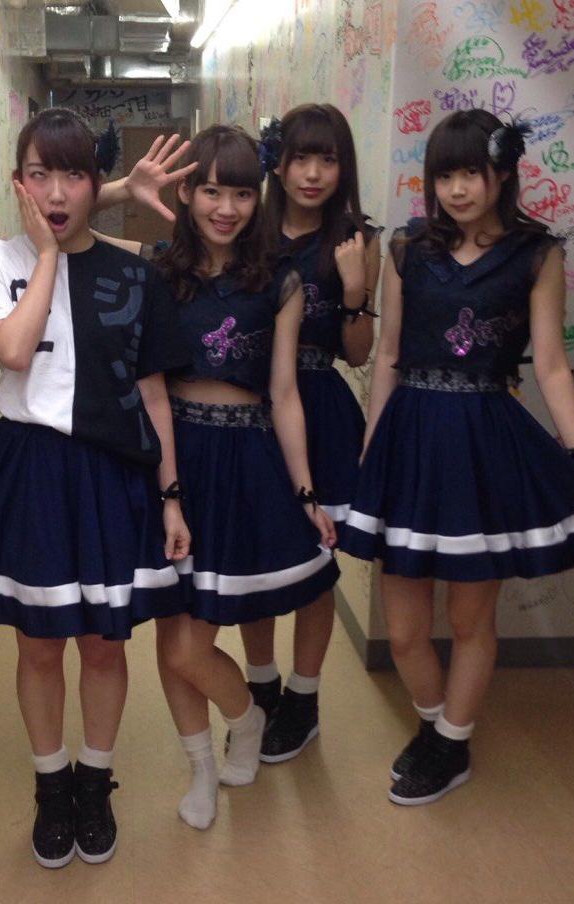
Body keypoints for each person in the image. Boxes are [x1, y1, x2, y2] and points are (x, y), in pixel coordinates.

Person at [342, 109, 574, 805]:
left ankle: (451, 742)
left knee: (469, 621)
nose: (456, 189)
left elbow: (553, 366)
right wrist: (372, 447)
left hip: (484, 444)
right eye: (444, 175)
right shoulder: (407, 249)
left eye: (471, 173)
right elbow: (387, 357)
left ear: (502, 174)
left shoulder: (538, 254)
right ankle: (435, 727)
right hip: (409, 441)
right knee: (405, 630)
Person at [0, 108, 190, 867]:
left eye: (74, 175)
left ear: (96, 181)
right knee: (38, 646)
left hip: (112, 473)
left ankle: (94, 780)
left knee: (103, 645)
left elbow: (154, 394)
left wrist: (172, 496)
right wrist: (51, 255)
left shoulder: (136, 275)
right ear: (17, 182)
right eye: (39, 175)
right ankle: (51, 786)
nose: (55, 192)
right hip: (29, 470)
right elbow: (14, 353)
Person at [149, 124, 339, 831]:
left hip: (244, 461)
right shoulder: (158, 271)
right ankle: (202, 764)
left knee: (191, 645)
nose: (225, 208)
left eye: (239, 193)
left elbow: (284, 393)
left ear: (257, 198)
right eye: (209, 191)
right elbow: (69, 231)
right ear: (185, 194)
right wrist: (128, 189)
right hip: (174, 456)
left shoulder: (278, 280)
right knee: (172, 637)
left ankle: (247, 717)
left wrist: (305, 490)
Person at [238, 103, 382, 763]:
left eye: (328, 159)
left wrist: (354, 292)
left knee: (316, 564)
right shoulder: (248, 228)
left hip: (320, 407)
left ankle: (303, 696)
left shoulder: (356, 239)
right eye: (301, 158)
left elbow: (359, 352)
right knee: (255, 558)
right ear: (278, 164)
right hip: (251, 410)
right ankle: (261, 685)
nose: (314, 173)